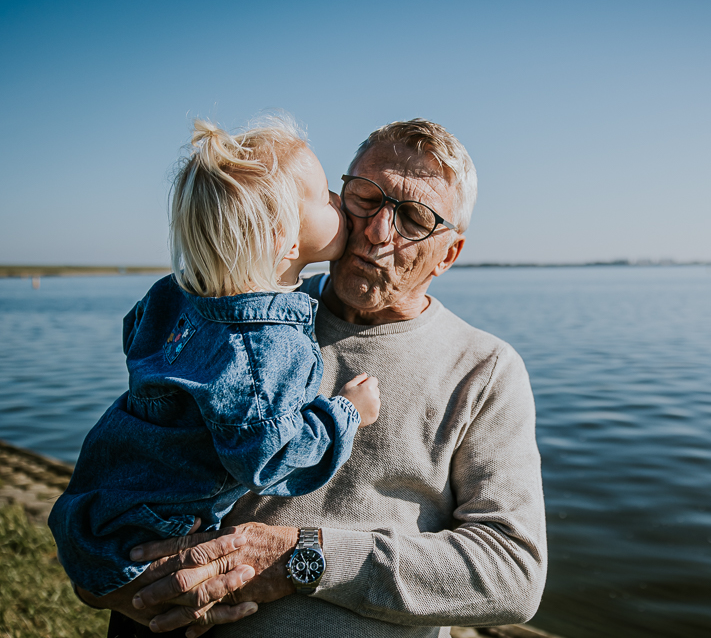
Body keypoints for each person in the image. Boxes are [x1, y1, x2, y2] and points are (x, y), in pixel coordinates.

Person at [82, 119, 547, 638]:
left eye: (415, 218)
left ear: (449, 254)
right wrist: (114, 581)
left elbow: (513, 574)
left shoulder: (484, 370)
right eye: (365, 197)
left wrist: (303, 557)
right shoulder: (228, 314)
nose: (377, 231)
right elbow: (129, 468)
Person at [50, 116, 380, 601]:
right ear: (284, 238)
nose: (338, 202)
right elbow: (273, 459)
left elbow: (136, 334)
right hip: (154, 534)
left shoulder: (176, 294)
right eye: (326, 194)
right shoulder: (264, 345)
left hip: (100, 504)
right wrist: (346, 413)